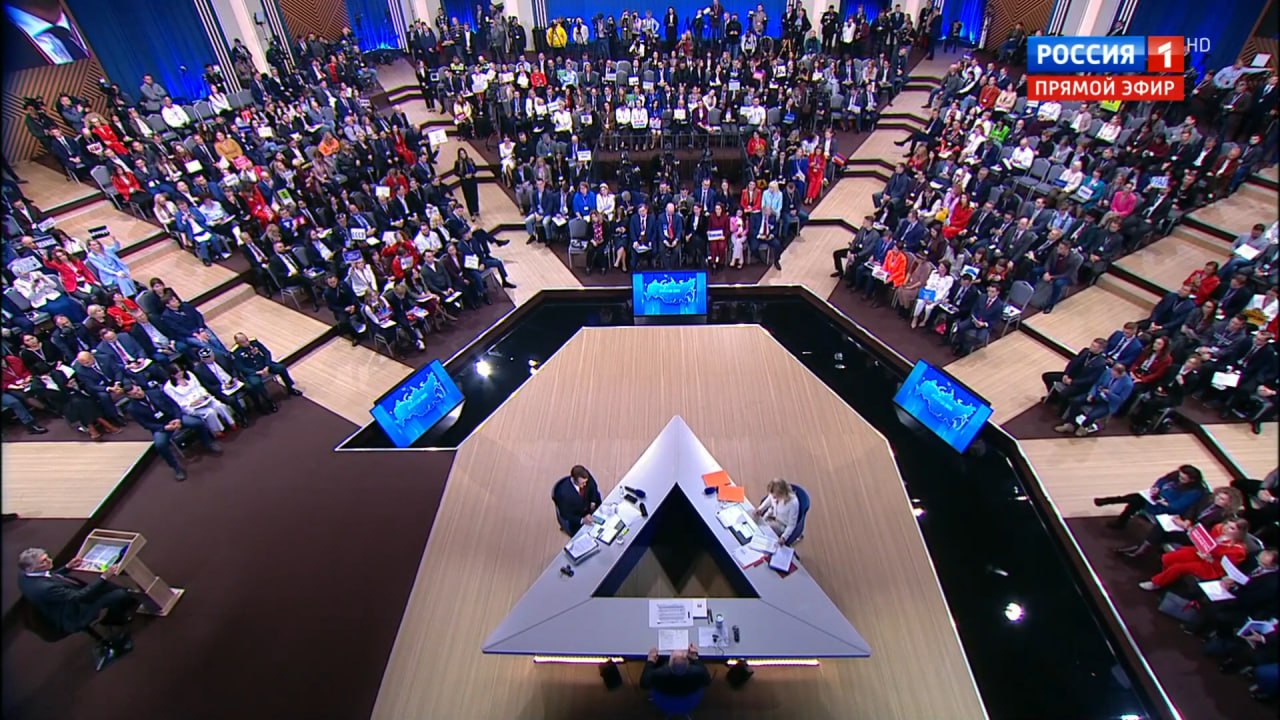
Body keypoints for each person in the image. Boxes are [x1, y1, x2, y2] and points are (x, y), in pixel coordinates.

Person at [16, 547, 137, 670]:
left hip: (65, 601)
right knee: (120, 594)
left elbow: (48, 576)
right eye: (43, 562)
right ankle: (114, 619)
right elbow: (78, 597)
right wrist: (104, 577)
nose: (49, 561)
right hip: (73, 613)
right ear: (31, 568)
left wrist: (67, 567)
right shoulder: (43, 588)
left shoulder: (24, 575)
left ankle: (114, 616)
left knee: (108, 588)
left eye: (47, 557)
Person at [121, 379, 221, 481]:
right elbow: (146, 424)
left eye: (138, 390)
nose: (139, 393)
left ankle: (208, 443)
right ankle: (176, 468)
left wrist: (177, 418)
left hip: (174, 418)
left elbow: (174, 405)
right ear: (130, 396)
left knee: (198, 423)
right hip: (161, 427)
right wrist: (164, 427)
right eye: (135, 394)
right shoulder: (132, 408)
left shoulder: (156, 393)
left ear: (139, 387)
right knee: (160, 445)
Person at [1093, 465, 1208, 529]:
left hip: (1164, 508)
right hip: (1156, 498)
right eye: (1179, 476)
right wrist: (1156, 487)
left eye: (1183, 478)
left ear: (1192, 480)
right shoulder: (1176, 475)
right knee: (1136, 499)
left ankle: (1112, 504)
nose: (1179, 479)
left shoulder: (1195, 492)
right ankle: (1115, 511)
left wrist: (1166, 503)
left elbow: (1178, 506)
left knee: (1136, 500)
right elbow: (1162, 480)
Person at [229, 333, 303, 414]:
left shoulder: (254, 342)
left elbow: (267, 353)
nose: (247, 343)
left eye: (246, 340)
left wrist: (267, 366)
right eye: (243, 342)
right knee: (256, 383)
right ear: (238, 343)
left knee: (281, 367)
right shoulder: (236, 352)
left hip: (264, 365)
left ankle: (290, 388)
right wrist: (256, 372)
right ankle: (269, 401)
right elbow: (241, 368)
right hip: (253, 371)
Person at [641, 644, 711, 698]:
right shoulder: (698, 672)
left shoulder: (658, 674)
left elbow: (644, 684)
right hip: (688, 699)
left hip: (665, 700)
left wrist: (650, 661)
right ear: (688, 663)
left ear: (668, 663)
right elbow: (707, 681)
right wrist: (695, 658)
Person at [551, 464, 601, 535]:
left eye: (586, 482)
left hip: (590, 507)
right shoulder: (564, 495)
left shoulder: (585, 475)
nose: (585, 485)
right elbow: (565, 515)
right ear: (574, 480)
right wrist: (582, 520)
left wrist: (593, 501)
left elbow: (593, 486)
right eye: (582, 483)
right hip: (578, 517)